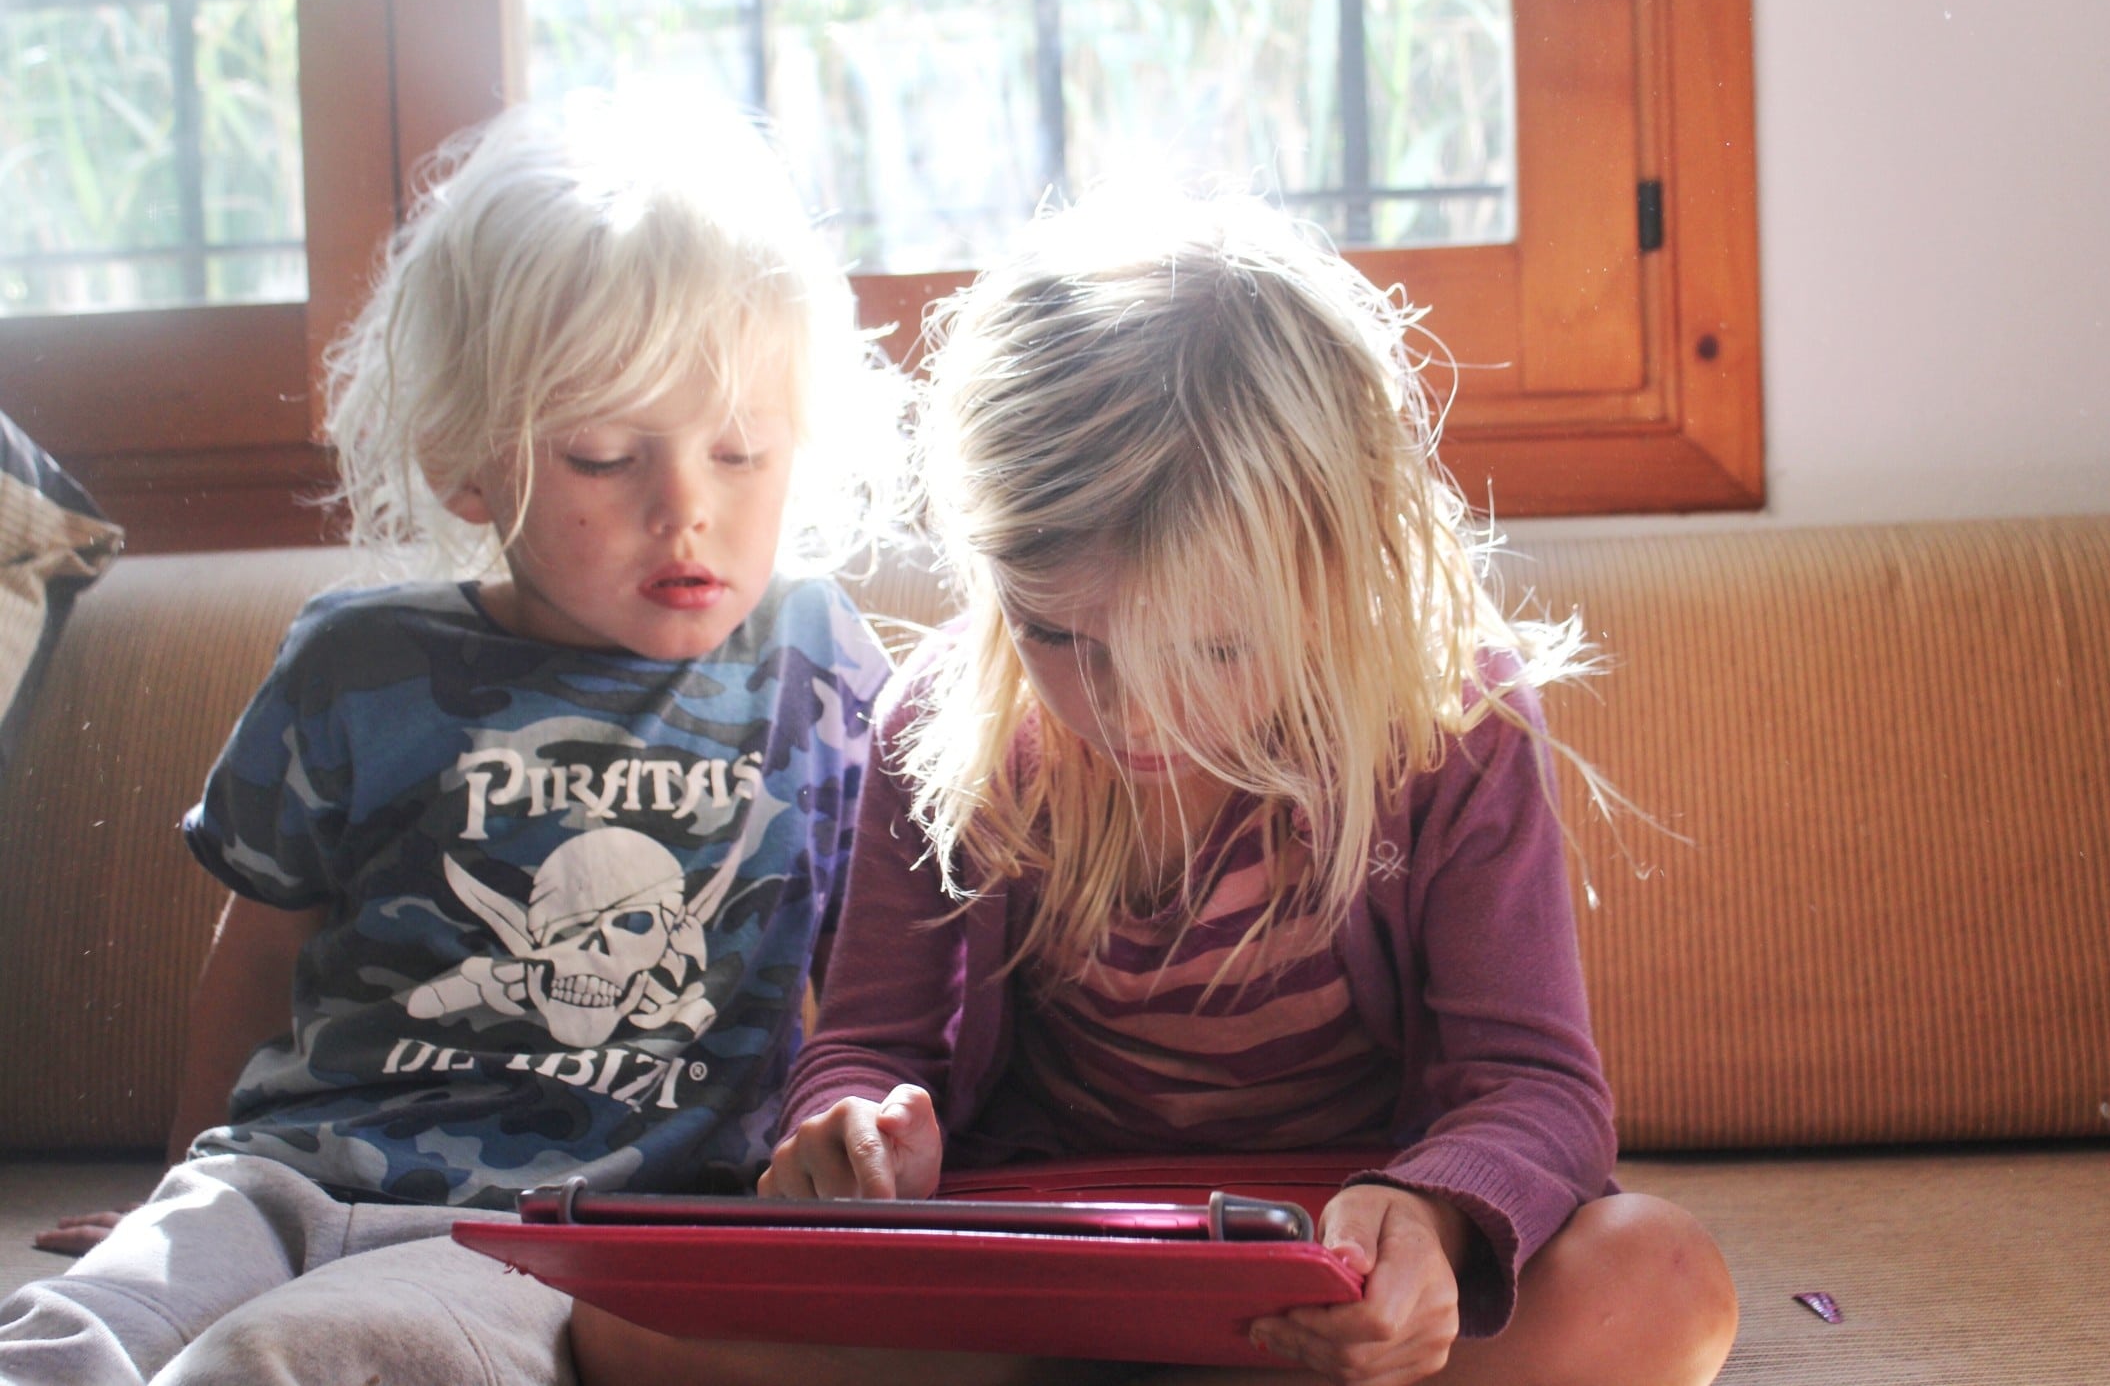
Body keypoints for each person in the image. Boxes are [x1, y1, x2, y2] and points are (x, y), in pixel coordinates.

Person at [570, 189, 1739, 1386]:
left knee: (1659, 1282)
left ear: (1339, 564)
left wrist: (1429, 1218)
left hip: (1331, 1264)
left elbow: (1534, 1088)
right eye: (1057, 635)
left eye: (1212, 649)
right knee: (626, 1325)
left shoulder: (1449, 726)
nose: (1128, 711)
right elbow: (872, 1038)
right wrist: (858, 1132)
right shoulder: (947, 722)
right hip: (1039, 1253)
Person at [0, 91, 899, 1386]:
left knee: (290, 1357)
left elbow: (880, 968)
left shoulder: (809, 662)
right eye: (604, 454)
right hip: (277, 1176)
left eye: (741, 450)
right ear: (467, 462)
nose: (685, 508)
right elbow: (260, 950)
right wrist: (172, 1187)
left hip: (567, 1229)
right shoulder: (355, 661)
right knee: (61, 1332)